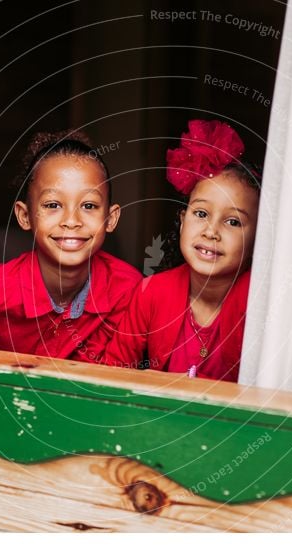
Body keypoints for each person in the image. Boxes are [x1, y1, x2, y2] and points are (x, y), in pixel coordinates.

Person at [0, 130, 141, 363]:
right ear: (25, 216)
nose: (71, 221)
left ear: (111, 218)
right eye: (53, 204)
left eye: (88, 205)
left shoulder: (130, 292)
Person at [104, 120, 260, 382]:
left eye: (233, 221)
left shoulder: (259, 302)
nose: (211, 231)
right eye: (201, 213)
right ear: (182, 219)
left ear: (258, 237)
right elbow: (113, 374)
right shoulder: (151, 293)